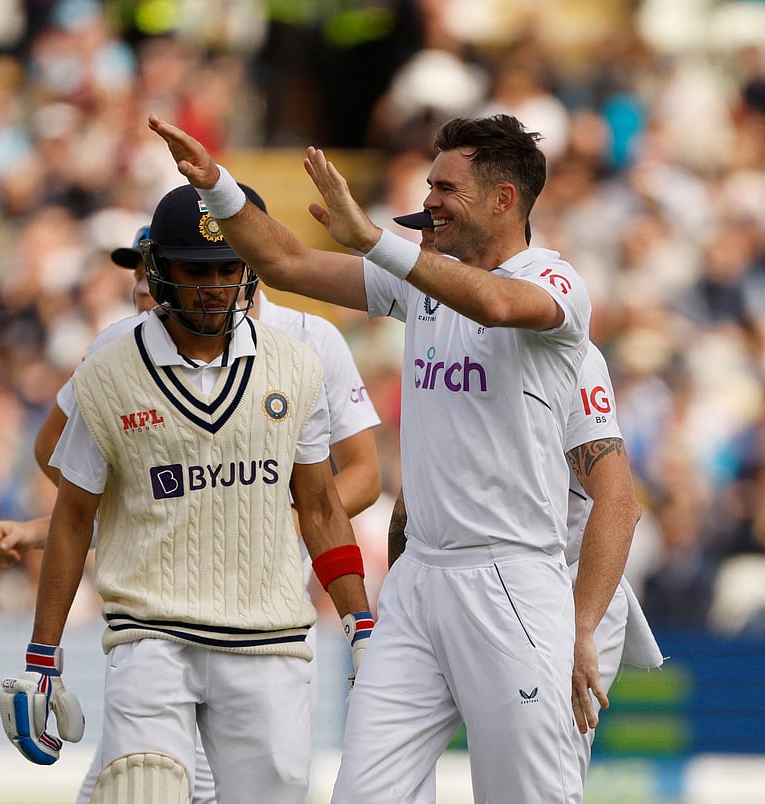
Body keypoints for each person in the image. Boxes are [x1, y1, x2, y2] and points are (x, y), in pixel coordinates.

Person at [150, 113, 600, 803]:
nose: (430, 199)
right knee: (364, 795)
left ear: (504, 200)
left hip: (511, 577)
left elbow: (500, 305)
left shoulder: (554, 281)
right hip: (418, 577)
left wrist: (373, 241)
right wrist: (217, 186)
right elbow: (286, 264)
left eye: (446, 186)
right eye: (429, 183)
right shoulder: (426, 276)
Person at [0, 209, 384, 804]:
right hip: (151, 632)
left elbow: (323, 507)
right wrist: (43, 655)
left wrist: (361, 626)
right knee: (138, 789)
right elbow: (75, 514)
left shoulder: (299, 361)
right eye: (197, 270)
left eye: (229, 268)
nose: (216, 285)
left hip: (267, 632)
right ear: (161, 271)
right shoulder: (109, 367)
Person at [386, 211, 664, 793]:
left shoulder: (565, 347)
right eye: (421, 233)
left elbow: (619, 504)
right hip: (454, 583)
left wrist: (579, 628)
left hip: (562, 586)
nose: (424, 246)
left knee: (532, 787)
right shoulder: (434, 334)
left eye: (435, 232)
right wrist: (402, 609)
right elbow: (412, 507)